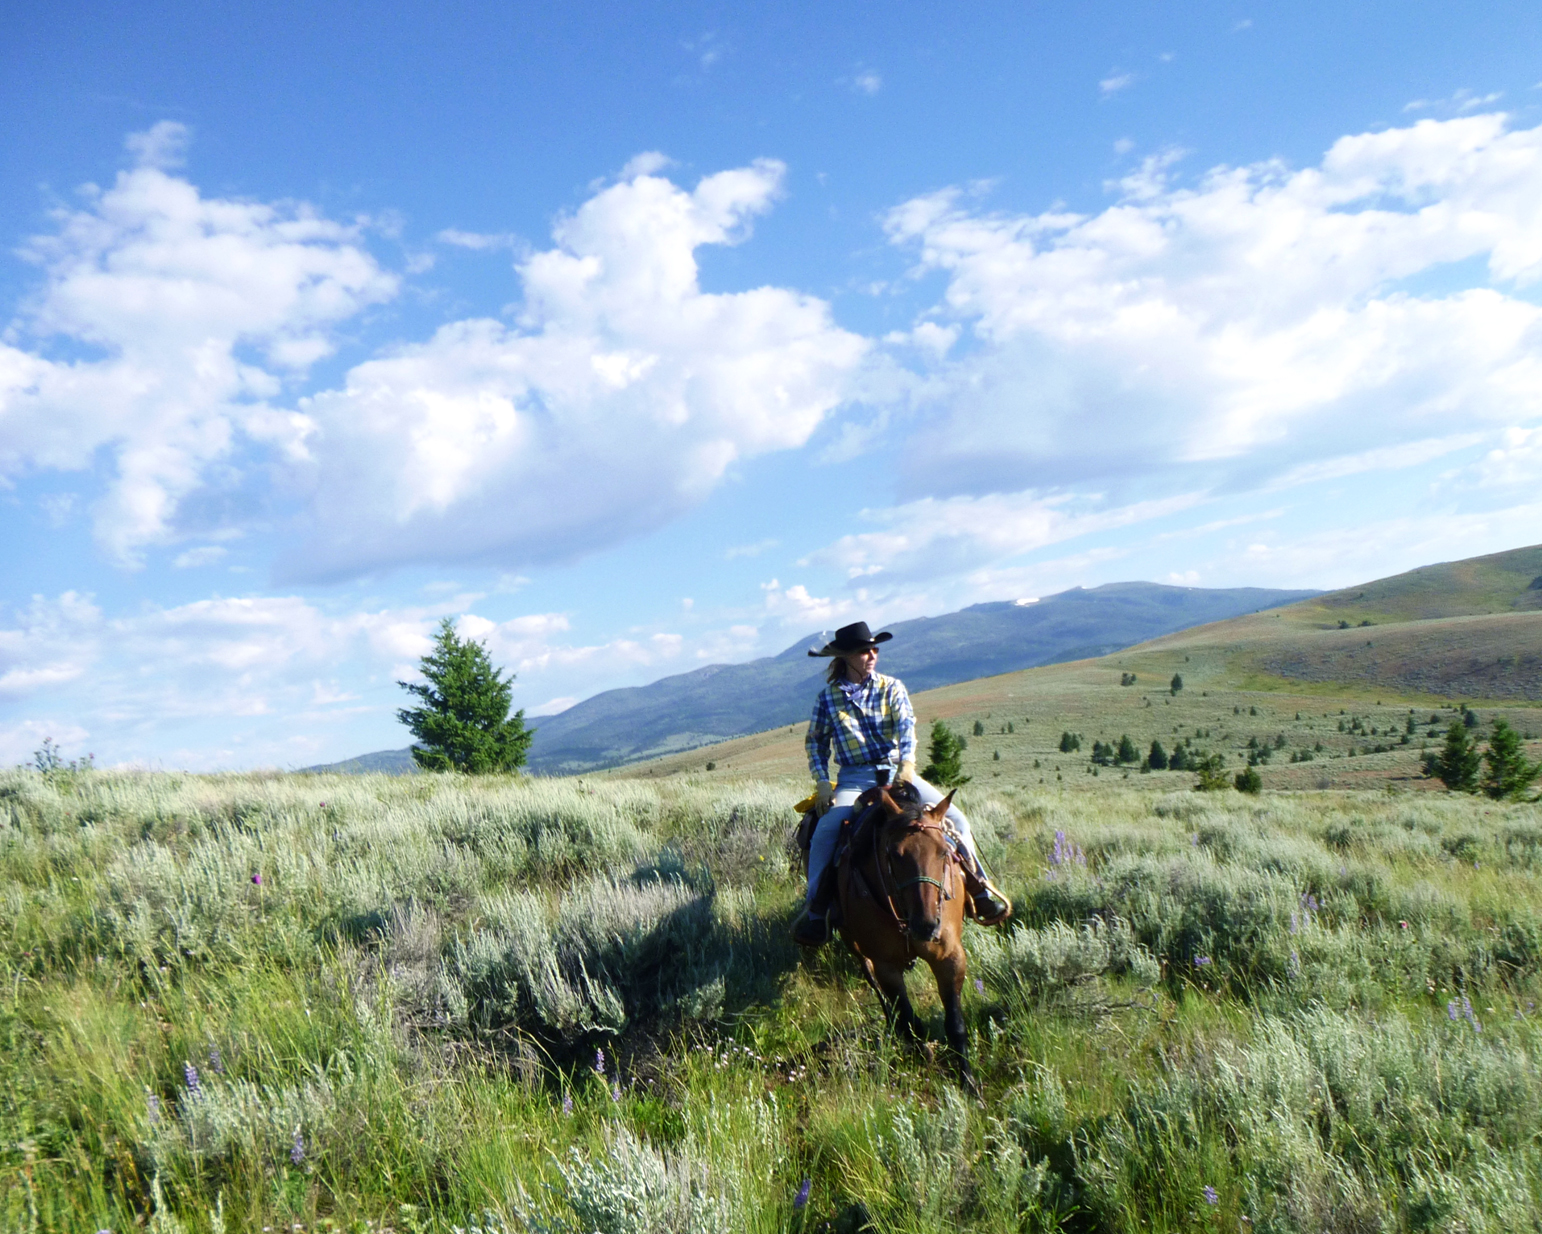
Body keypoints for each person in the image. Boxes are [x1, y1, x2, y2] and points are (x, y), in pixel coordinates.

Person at [793, 620, 1011, 947]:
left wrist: (907, 764)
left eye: (875, 649)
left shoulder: (892, 687)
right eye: (865, 650)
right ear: (847, 656)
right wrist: (823, 781)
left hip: (897, 772)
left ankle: (980, 889)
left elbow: (906, 727)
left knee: (955, 819)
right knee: (826, 830)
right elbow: (816, 743)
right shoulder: (827, 699)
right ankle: (816, 910)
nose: (872, 655)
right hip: (855, 777)